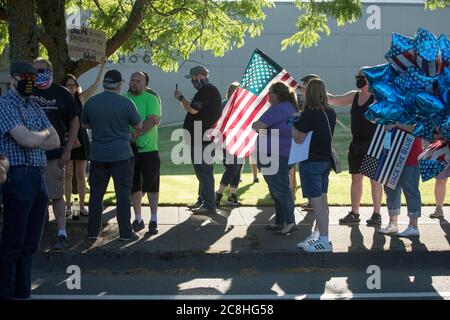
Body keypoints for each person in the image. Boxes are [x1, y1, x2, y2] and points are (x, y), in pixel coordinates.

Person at [0, 61, 60, 299]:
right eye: (26, 77)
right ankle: (6, 293)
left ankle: (22, 292)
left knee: (30, 243)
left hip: (38, 177)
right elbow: (25, 140)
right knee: (13, 242)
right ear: (14, 79)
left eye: (33, 78)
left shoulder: (34, 105)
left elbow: (55, 141)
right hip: (17, 176)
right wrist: (42, 134)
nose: (30, 82)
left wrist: (39, 137)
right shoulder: (4, 104)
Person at [81, 69, 143, 241]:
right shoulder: (126, 103)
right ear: (119, 84)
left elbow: (85, 124)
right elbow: (138, 125)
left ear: (105, 83)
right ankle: (125, 232)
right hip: (121, 154)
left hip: (98, 155)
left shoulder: (92, 102)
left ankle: (92, 232)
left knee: (96, 195)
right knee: (123, 195)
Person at [32, 58, 79, 251]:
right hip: (29, 155)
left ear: (50, 71)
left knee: (57, 195)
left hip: (54, 155)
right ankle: (36, 233)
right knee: (31, 196)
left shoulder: (63, 94)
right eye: (34, 72)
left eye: (41, 71)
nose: (37, 75)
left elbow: (74, 120)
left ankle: (62, 233)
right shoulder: (27, 92)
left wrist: (68, 150)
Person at [327, 68, 383, 226]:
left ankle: (377, 214)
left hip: (373, 145)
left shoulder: (377, 97)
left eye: (362, 77)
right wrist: (313, 89)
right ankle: (354, 212)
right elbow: (333, 99)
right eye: (357, 76)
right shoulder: (354, 95)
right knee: (356, 178)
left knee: (375, 180)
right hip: (357, 144)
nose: (358, 79)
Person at [293, 78, 336, 252]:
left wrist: (292, 125)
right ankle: (318, 235)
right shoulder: (330, 112)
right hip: (325, 161)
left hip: (311, 162)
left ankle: (324, 240)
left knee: (316, 202)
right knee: (322, 201)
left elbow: (298, 138)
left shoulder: (309, 114)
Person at [61, 57, 107, 218]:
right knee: (67, 175)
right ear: (63, 86)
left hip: (81, 139)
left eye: (74, 85)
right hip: (66, 140)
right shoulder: (60, 100)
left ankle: (81, 206)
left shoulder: (80, 99)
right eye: (69, 85)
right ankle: (67, 207)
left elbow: (95, 86)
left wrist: (102, 67)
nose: (72, 88)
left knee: (81, 175)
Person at [174, 65, 222, 215]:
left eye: (193, 78)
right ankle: (202, 200)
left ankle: (208, 205)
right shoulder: (205, 91)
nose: (192, 81)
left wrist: (180, 98)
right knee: (202, 172)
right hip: (200, 138)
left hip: (203, 139)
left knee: (204, 172)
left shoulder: (207, 90)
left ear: (200, 76)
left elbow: (193, 109)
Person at [252, 82, 298, 236]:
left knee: (280, 190)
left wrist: (260, 128)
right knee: (277, 190)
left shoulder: (279, 108)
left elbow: (257, 126)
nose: (268, 95)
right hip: (281, 154)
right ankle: (280, 221)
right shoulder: (289, 107)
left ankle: (290, 222)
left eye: (270, 92)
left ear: (278, 95)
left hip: (275, 154)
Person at [125, 72, 161, 235]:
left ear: (145, 83)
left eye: (138, 80)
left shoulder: (151, 99)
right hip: (129, 150)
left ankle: (154, 218)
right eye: (132, 80)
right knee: (134, 185)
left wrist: (136, 134)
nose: (134, 83)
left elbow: (152, 120)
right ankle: (138, 218)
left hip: (149, 150)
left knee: (152, 186)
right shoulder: (124, 99)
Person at [378, 125, 423, 237]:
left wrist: (396, 124)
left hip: (410, 154)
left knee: (411, 190)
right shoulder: (390, 108)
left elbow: (416, 128)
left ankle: (413, 226)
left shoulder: (416, 108)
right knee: (390, 190)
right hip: (391, 155)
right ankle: (393, 224)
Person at [216, 81, 243, 207]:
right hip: (229, 140)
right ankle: (219, 193)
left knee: (237, 167)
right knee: (233, 167)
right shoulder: (227, 104)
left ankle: (232, 195)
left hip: (240, 139)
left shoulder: (239, 104)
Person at [296, 74, 320, 212]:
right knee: (305, 175)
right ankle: (311, 201)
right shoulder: (303, 99)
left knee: (312, 177)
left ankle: (314, 203)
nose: (303, 86)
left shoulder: (315, 103)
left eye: (305, 84)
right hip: (305, 144)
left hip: (312, 145)